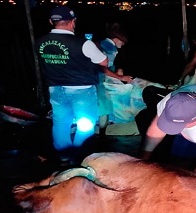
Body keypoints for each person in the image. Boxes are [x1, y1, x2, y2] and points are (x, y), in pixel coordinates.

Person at [35, 6, 109, 165]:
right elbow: (104, 61)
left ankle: (64, 157)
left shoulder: (40, 42)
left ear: (51, 21)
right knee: (86, 123)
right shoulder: (82, 43)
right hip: (81, 91)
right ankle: (80, 156)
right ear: (73, 21)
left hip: (55, 90)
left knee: (61, 123)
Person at [96, 22, 133, 136]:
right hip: (98, 80)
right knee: (104, 106)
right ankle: (102, 134)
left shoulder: (99, 43)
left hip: (88, 78)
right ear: (116, 39)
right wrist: (121, 77)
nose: (123, 44)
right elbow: (103, 69)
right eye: (122, 42)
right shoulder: (111, 49)